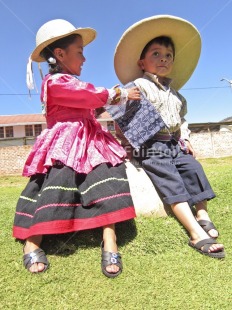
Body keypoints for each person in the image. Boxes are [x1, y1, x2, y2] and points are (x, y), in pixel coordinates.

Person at [13, 19, 141, 277]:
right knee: (58, 178)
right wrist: (123, 94)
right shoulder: (55, 82)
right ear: (60, 54)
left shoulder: (69, 82)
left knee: (107, 173)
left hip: (91, 139)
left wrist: (102, 106)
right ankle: (33, 240)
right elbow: (87, 94)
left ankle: (110, 238)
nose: (84, 59)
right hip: (66, 141)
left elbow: (89, 103)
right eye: (80, 52)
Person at [107, 15, 225, 258]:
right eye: (156, 54)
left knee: (192, 167)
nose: (163, 59)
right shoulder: (138, 86)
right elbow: (122, 116)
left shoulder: (176, 95)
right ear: (142, 62)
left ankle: (202, 213)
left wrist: (187, 138)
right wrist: (126, 142)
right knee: (167, 175)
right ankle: (195, 233)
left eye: (168, 55)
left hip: (174, 142)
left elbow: (182, 119)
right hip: (151, 145)